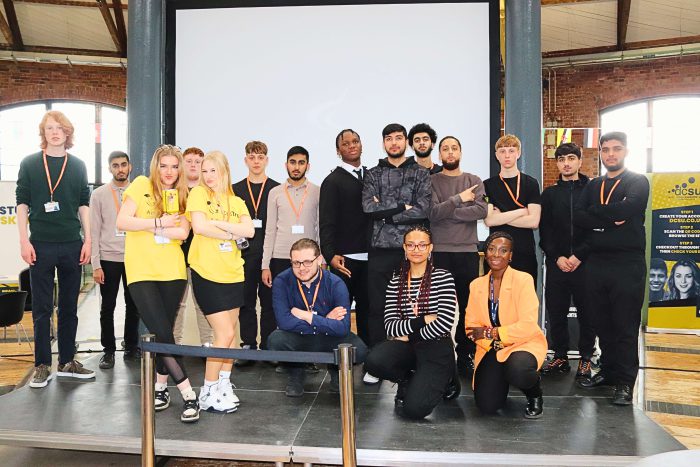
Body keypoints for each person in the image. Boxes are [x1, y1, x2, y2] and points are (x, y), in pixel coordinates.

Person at [116, 144, 200, 423]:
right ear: (156, 166)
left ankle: (161, 388)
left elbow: (182, 232)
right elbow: (122, 221)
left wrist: (151, 225)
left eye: (175, 167)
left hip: (173, 271)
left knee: (164, 332)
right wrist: (158, 222)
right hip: (141, 271)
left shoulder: (183, 195)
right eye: (164, 166)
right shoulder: (140, 185)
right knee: (163, 332)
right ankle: (189, 393)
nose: (169, 172)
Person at [16, 110, 96, 388]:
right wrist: (24, 241)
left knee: (69, 307)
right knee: (41, 308)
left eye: (60, 127)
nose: (55, 132)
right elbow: (22, 203)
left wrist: (88, 240)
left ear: (67, 132)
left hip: (72, 243)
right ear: (44, 133)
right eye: (49, 128)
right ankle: (41, 364)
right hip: (40, 243)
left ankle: (66, 361)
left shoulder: (78, 165)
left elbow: (84, 205)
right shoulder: (29, 164)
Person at [574, 131, 650, 406]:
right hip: (596, 263)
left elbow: (628, 209)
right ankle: (607, 371)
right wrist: (611, 216)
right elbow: (579, 217)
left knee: (625, 325)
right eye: (606, 150)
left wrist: (599, 215)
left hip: (627, 264)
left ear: (626, 151)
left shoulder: (637, 181)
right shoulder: (593, 185)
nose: (610, 154)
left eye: (616, 149)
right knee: (602, 323)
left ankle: (625, 382)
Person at [364, 226, 460, 419]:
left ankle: (449, 377)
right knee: (374, 361)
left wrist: (408, 334)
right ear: (404, 248)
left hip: (436, 346)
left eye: (422, 245)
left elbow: (444, 324)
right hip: (408, 346)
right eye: (411, 245)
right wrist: (423, 320)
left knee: (414, 410)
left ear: (430, 248)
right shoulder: (395, 283)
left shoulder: (443, 278)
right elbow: (390, 325)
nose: (416, 249)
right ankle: (408, 378)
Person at [362, 123, 431, 384]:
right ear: (383, 143)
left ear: (406, 142)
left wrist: (387, 214)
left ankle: (415, 359)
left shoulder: (421, 173)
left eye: (398, 138)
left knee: (415, 306)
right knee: (378, 306)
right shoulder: (373, 174)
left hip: (413, 250)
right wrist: (404, 205)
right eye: (388, 139)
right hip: (380, 248)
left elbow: (423, 209)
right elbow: (369, 207)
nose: (394, 143)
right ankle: (376, 363)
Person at [186, 151, 255, 413]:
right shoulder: (198, 194)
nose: (207, 176)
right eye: (204, 171)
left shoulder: (236, 201)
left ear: (224, 171)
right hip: (206, 272)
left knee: (231, 335)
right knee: (223, 333)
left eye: (212, 171)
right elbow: (200, 227)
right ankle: (207, 390)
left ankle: (223, 384)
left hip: (233, 273)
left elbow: (249, 231)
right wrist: (228, 228)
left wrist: (218, 224)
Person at [267, 238, 368, 397]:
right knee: (275, 340)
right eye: (296, 263)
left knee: (359, 350)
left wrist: (307, 316)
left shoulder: (335, 283)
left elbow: (343, 327)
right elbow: (284, 322)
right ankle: (296, 374)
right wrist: (325, 319)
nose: (301, 268)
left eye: (307, 262)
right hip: (299, 336)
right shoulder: (282, 281)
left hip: (330, 338)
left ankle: (336, 372)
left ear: (319, 260)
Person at [465, 231, 547, 419]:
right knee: (487, 406)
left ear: (510, 256)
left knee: (518, 370)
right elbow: (471, 327)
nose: (496, 254)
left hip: (522, 344)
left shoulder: (523, 280)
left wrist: (491, 333)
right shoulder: (476, 285)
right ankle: (501, 379)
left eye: (503, 250)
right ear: (485, 253)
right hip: (491, 348)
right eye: (492, 249)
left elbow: (527, 326)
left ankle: (534, 393)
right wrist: (491, 343)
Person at [428, 135, 486, 374]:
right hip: (440, 252)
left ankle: (464, 354)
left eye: (454, 148)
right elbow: (432, 213)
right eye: (445, 149)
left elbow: (481, 210)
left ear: (460, 152)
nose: (450, 152)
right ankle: (440, 354)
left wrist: (450, 209)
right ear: (439, 154)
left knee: (467, 307)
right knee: (439, 308)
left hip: (467, 252)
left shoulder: (474, 180)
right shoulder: (431, 181)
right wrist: (460, 200)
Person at [539, 142, 595, 382]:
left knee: (588, 313)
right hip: (557, 264)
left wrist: (579, 255)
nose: (567, 163)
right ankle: (560, 356)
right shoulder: (549, 194)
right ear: (557, 163)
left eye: (571, 158)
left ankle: (585, 358)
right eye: (562, 159)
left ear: (580, 161)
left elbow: (596, 228)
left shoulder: (593, 190)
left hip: (586, 263)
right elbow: (545, 232)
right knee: (556, 312)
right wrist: (558, 257)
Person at [90, 150, 140, 370]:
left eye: (123, 164)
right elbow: (93, 230)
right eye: (115, 165)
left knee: (134, 306)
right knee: (107, 307)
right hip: (108, 259)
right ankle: (108, 351)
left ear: (130, 166)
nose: (120, 169)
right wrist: (96, 264)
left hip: (134, 257)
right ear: (110, 168)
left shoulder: (140, 192)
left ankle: (131, 346)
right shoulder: (99, 194)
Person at [320, 129, 370, 345]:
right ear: (338, 150)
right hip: (344, 261)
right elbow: (327, 222)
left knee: (371, 312)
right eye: (346, 143)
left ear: (361, 145)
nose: (351, 145)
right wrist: (330, 255)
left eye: (355, 141)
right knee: (340, 312)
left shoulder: (373, 176)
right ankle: (340, 363)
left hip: (373, 258)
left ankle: (371, 359)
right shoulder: (332, 181)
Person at [232, 141, 280, 366]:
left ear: (267, 160)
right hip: (243, 254)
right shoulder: (235, 190)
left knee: (269, 302)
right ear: (245, 160)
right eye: (252, 157)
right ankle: (248, 344)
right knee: (245, 301)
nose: (256, 161)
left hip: (269, 256)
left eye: (260, 157)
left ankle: (268, 345)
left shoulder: (276, 188)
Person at [484, 134, 541, 283]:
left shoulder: (531, 183)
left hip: (524, 252)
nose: (507, 155)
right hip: (496, 254)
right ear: (496, 155)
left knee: (523, 302)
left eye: (511, 150)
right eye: (502, 151)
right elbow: (489, 220)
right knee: (496, 301)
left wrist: (501, 217)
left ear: (518, 153)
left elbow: (534, 221)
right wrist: (521, 211)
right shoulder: (488, 185)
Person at [262, 146, 320, 286]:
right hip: (280, 257)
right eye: (292, 162)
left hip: (308, 259)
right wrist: (265, 265)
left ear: (308, 166)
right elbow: (270, 230)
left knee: (308, 303)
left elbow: (320, 228)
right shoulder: (275, 192)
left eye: (301, 163)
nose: (296, 167)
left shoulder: (317, 191)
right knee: (281, 303)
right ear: (286, 165)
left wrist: (322, 261)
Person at [173, 147, 213, 346]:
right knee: (177, 305)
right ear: (182, 163)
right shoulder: (172, 192)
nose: (193, 165)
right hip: (176, 257)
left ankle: (208, 347)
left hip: (202, 258)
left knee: (203, 305)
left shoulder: (209, 193)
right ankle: (174, 348)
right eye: (189, 160)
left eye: (198, 161)